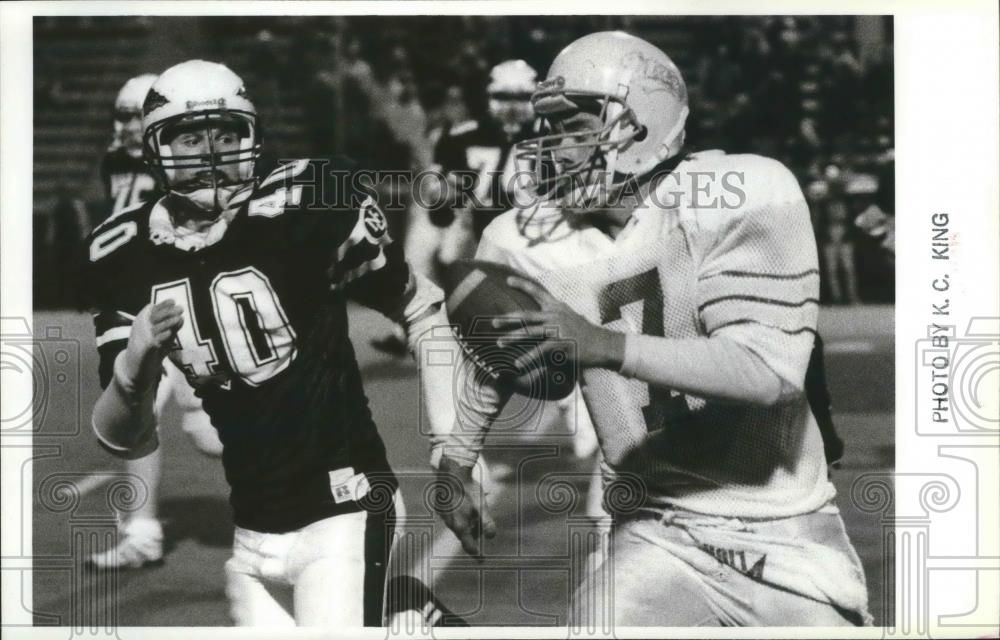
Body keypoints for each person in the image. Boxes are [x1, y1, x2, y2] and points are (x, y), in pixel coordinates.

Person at [429, 32, 870, 627]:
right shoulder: (521, 237)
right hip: (654, 527)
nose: (555, 149)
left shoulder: (738, 190)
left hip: (786, 534)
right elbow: (508, 349)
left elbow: (769, 373)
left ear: (642, 119)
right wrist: (457, 459)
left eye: (575, 126)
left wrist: (606, 346)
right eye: (549, 130)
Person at [86, 60, 461, 627]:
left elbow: (421, 306)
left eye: (227, 134)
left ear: (253, 138)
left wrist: (452, 446)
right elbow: (120, 437)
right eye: (190, 138)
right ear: (156, 148)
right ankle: (404, 616)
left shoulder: (302, 205)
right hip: (254, 531)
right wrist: (134, 361)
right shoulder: (125, 252)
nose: (211, 153)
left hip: (347, 505)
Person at [86, 73, 224, 571]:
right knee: (137, 402)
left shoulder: (188, 166)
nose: (121, 125)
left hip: (185, 305)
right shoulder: (116, 160)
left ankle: (308, 482)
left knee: (210, 434)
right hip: (136, 307)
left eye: (131, 116)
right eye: (119, 115)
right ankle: (142, 531)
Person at [375, 62, 541, 357]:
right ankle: (416, 329)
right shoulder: (462, 136)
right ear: (489, 96)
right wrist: (442, 193)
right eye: (503, 97)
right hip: (478, 231)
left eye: (520, 97)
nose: (512, 107)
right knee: (441, 258)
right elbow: (438, 201)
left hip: (536, 236)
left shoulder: (550, 137)